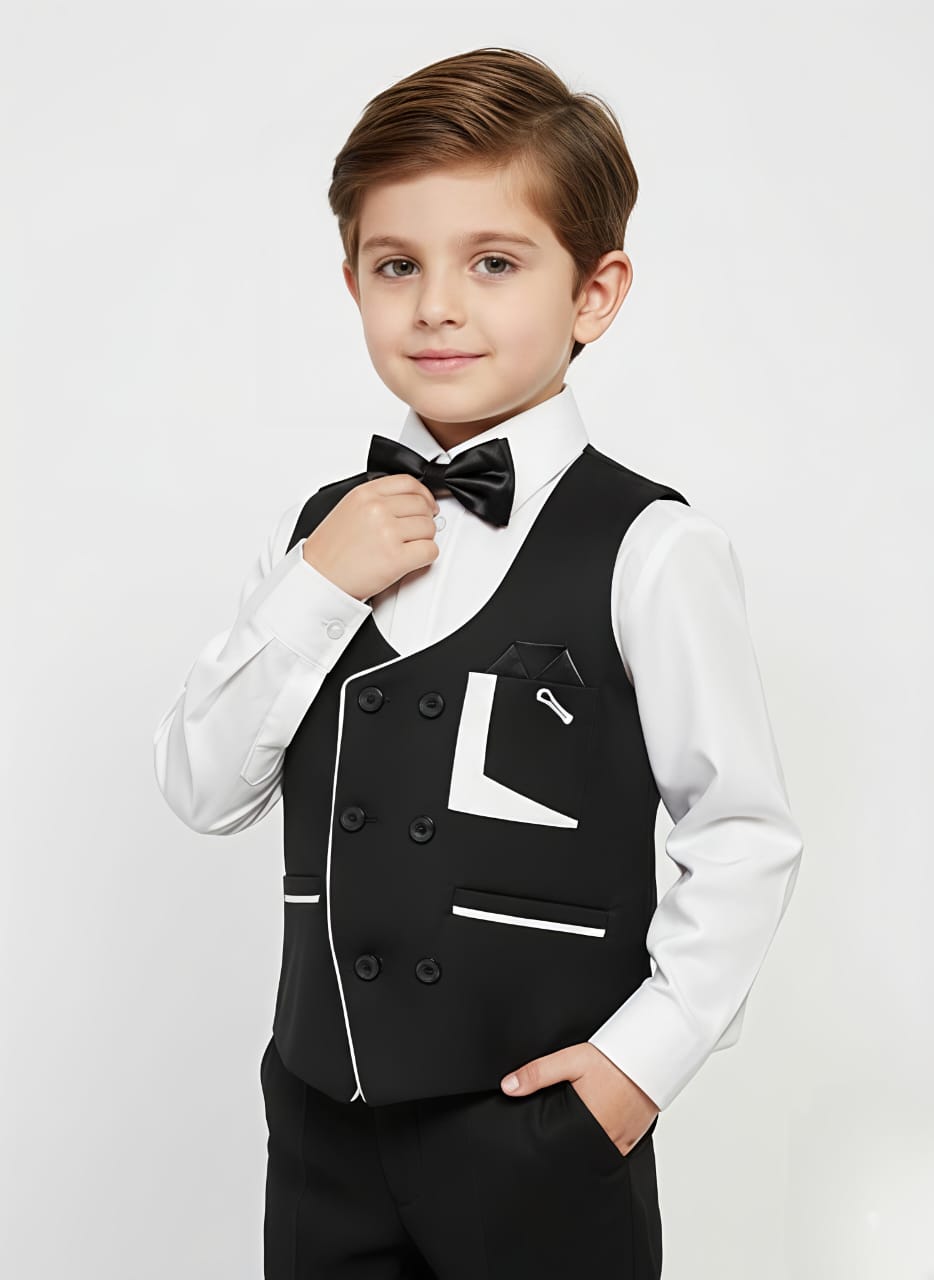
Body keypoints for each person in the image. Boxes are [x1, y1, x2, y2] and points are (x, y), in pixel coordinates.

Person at [153, 45, 804, 1279]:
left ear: (594, 292)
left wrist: (636, 1067)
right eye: (396, 264)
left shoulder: (652, 548)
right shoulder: (312, 538)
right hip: (321, 1122)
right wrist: (319, 585)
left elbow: (742, 831)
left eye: (493, 263)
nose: (436, 306)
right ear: (351, 281)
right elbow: (202, 786)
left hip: (539, 1135)